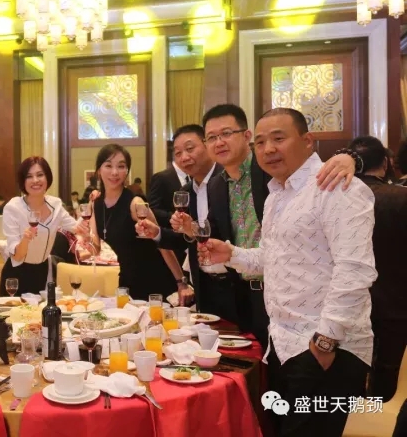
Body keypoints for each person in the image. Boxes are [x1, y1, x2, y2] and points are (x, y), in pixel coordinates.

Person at [199, 107, 376, 437]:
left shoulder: (337, 186)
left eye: (279, 139)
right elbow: (271, 258)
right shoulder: (276, 196)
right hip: (282, 344)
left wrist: (326, 342)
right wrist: (231, 254)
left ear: (307, 141)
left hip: (326, 347)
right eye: (261, 142)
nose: (268, 149)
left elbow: (355, 271)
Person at [171, 104, 358, 351]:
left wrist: (350, 157)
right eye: (212, 138)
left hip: (296, 298)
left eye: (226, 133)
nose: (219, 142)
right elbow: (218, 236)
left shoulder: (271, 170)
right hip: (243, 293)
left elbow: (313, 171)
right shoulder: (217, 185)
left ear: (246, 136)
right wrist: (192, 230)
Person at [141, 125, 226, 314]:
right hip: (203, 284)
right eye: (178, 153)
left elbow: (226, 232)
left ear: (207, 144)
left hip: (233, 283)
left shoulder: (227, 181)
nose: (184, 157)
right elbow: (184, 240)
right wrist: (157, 233)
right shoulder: (187, 191)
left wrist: (192, 229)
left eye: (189, 149)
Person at [90, 144, 187, 301]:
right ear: (98, 170)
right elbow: (95, 248)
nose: (115, 172)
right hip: (127, 280)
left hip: (155, 280)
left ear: (127, 171)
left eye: (121, 166)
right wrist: (82, 237)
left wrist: (181, 282)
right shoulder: (96, 203)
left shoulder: (136, 203)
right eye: (108, 165)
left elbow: (162, 243)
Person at [350, 136, 407, 401]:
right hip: (396, 305)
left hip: (347, 306)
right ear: (385, 163)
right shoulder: (400, 198)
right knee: (389, 378)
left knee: (349, 375)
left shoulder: (334, 199)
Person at [1, 156, 86, 296]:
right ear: (23, 181)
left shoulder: (55, 204)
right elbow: (17, 256)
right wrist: (26, 239)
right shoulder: (13, 208)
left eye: (40, 175)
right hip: (17, 275)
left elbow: (77, 228)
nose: (35, 180)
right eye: (29, 176)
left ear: (48, 178)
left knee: (41, 309)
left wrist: (93, 205)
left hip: (43, 271)